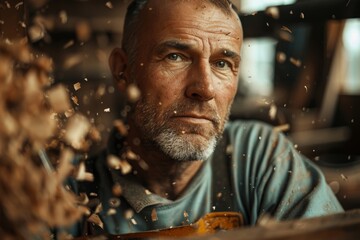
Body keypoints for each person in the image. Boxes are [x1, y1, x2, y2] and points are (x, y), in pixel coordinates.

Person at [73, 0, 343, 237]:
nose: (205, 89)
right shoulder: (71, 194)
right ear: (123, 71)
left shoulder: (256, 157)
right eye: (175, 57)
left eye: (222, 64)